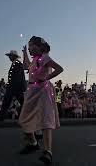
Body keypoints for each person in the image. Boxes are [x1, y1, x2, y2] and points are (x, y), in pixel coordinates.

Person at [18, 36, 64, 164]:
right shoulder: (35, 60)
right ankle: (33, 143)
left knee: (45, 120)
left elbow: (59, 69)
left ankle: (47, 151)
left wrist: (46, 78)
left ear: (39, 46)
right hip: (32, 91)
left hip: (43, 91)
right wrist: (24, 53)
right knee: (24, 118)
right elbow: (26, 66)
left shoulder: (44, 58)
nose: (30, 48)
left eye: (31, 45)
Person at [0, 50, 26, 121]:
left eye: (10, 56)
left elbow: (18, 77)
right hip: (14, 87)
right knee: (8, 102)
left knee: (22, 103)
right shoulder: (14, 64)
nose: (9, 57)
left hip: (16, 88)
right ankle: (1, 117)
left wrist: (11, 86)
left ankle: (24, 117)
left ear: (14, 56)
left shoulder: (17, 64)